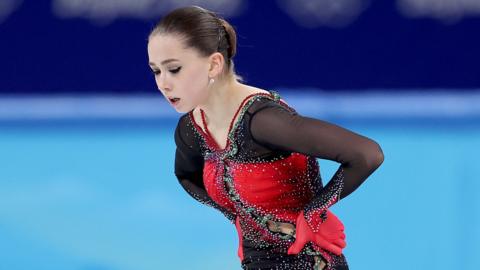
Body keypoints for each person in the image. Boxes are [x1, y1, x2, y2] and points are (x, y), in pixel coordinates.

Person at [147, 6, 384, 270]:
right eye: (156, 71)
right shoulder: (192, 128)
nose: (162, 84)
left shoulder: (262, 121)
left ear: (214, 64)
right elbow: (186, 176)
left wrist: (313, 214)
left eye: (174, 69)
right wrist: (237, 217)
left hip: (309, 262)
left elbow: (366, 154)